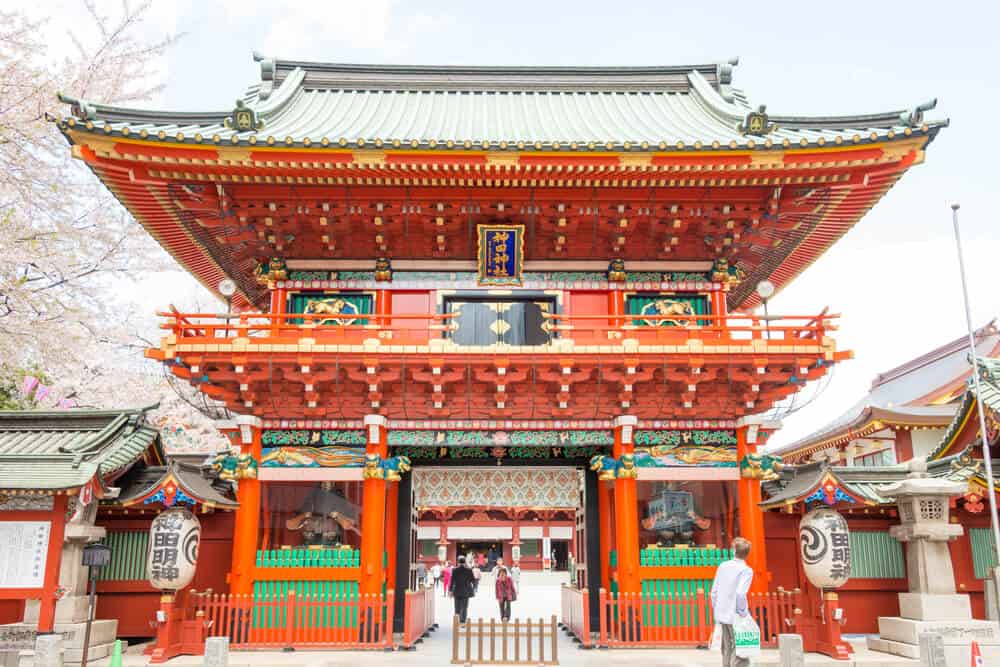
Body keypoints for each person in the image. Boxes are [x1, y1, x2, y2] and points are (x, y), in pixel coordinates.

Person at [710, 537, 754, 667]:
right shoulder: (746, 570)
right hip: (735, 614)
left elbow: (714, 592)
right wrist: (743, 612)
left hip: (722, 612)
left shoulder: (723, 566)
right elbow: (741, 593)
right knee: (740, 647)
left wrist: (716, 609)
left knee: (727, 647)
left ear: (734, 551)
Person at [449, 556, 475, 623]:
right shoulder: (469, 570)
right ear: (465, 563)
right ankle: (463, 621)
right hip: (466, 591)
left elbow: (452, 581)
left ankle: (457, 620)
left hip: (457, 590)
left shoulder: (454, 570)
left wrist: (450, 590)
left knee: (457, 607)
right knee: (464, 607)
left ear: (458, 562)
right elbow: (473, 580)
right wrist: (473, 587)